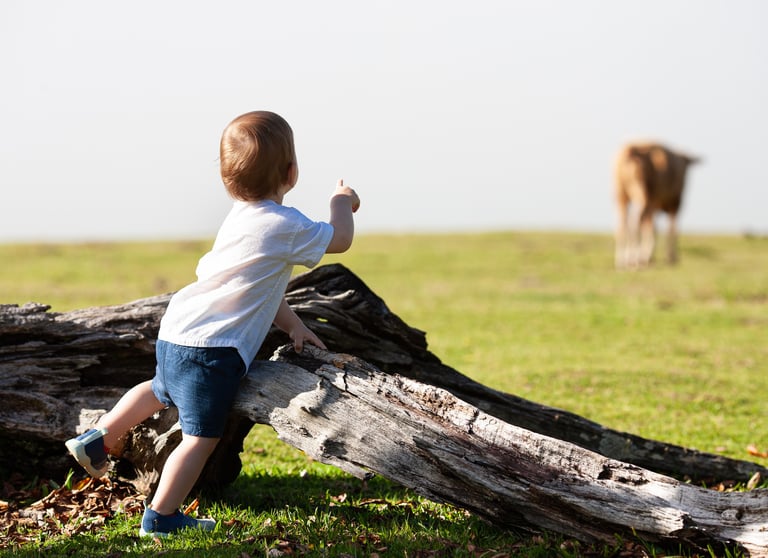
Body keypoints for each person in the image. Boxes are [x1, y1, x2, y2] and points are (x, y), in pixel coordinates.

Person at [65, 110, 360, 537]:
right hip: (211, 351)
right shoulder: (286, 223)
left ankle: (101, 433)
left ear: (228, 179)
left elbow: (255, 288)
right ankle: (161, 516)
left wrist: (292, 324)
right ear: (291, 172)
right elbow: (342, 239)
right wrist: (341, 203)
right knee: (201, 438)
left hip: (178, 331)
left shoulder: (239, 217)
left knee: (157, 389)